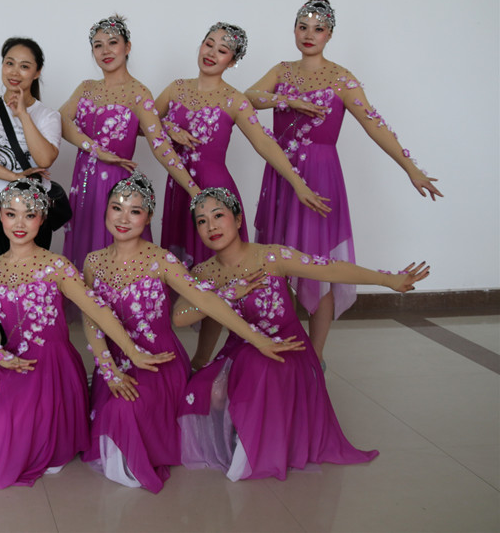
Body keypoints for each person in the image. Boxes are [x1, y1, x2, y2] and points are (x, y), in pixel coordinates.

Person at [176, 187, 428, 481]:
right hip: (240, 349)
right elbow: (179, 317)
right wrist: (227, 293)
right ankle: (241, 431)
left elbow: (330, 269)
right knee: (207, 389)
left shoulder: (270, 256)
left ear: (238, 218)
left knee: (259, 368)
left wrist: (387, 280)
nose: (212, 226)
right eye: (202, 221)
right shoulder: (204, 273)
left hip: (287, 347)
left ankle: (256, 444)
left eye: (218, 216)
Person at [245, 0, 442, 361]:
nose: (309, 35)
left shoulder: (341, 78)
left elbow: (374, 123)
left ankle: (315, 357)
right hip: (281, 175)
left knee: (318, 265)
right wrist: (287, 102)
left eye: (318, 29)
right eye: (303, 27)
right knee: (277, 262)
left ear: (330, 35)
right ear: (294, 30)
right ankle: (283, 346)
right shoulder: (282, 71)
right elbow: (249, 98)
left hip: (320, 177)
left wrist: (410, 167)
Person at [81, 173, 303, 493]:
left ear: (148, 216)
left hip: (159, 363)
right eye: (116, 208)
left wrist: (257, 339)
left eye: (134, 211)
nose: (123, 218)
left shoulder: (161, 260)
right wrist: (109, 370)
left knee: (123, 410)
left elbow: (206, 301)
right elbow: (92, 320)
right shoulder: (93, 262)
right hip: (114, 363)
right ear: (106, 210)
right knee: (111, 405)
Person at [0, 178, 170, 489]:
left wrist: (132, 351)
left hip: (52, 366)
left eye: (29, 215)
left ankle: (43, 433)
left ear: (42, 218)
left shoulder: (56, 265)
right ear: (0, 216)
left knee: (7, 421)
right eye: (11, 214)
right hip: (13, 357)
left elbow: (98, 310)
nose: (20, 224)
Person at [154, 22, 330, 370]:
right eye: (208, 44)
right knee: (177, 273)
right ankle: (168, 354)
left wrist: (297, 182)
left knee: (217, 276)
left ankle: (202, 359)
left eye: (222, 50)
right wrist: (169, 127)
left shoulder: (234, 99)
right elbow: (144, 124)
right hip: (179, 195)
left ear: (232, 61)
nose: (211, 53)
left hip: (213, 195)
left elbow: (264, 142)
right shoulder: (175, 89)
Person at [59, 14, 198, 271]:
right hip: (83, 186)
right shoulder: (86, 88)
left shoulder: (138, 93)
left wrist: (194, 190)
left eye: (112, 42)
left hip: (116, 186)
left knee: (117, 254)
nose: (105, 51)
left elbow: (160, 147)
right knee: (84, 251)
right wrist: (96, 150)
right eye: (98, 45)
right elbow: (60, 121)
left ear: (128, 46)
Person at [0, 37, 62, 258]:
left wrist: (23, 115)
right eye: (9, 63)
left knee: (34, 271)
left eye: (24, 66)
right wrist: (16, 177)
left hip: (33, 204)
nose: (15, 72)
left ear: (37, 72)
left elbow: (44, 159)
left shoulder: (48, 116)